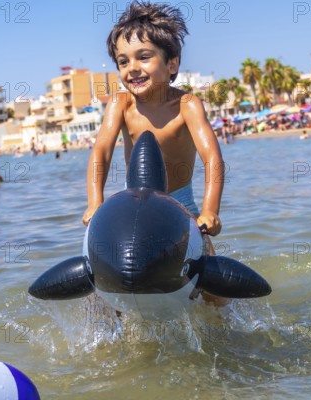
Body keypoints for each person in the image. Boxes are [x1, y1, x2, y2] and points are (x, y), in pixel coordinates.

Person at [82, 1, 225, 305]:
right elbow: (101, 153)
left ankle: (221, 333)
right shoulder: (121, 104)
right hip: (131, 202)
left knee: (211, 287)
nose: (132, 67)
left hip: (181, 203)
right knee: (107, 284)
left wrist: (210, 210)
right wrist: (96, 204)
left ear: (172, 64)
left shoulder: (187, 104)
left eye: (143, 57)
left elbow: (212, 158)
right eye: (123, 61)